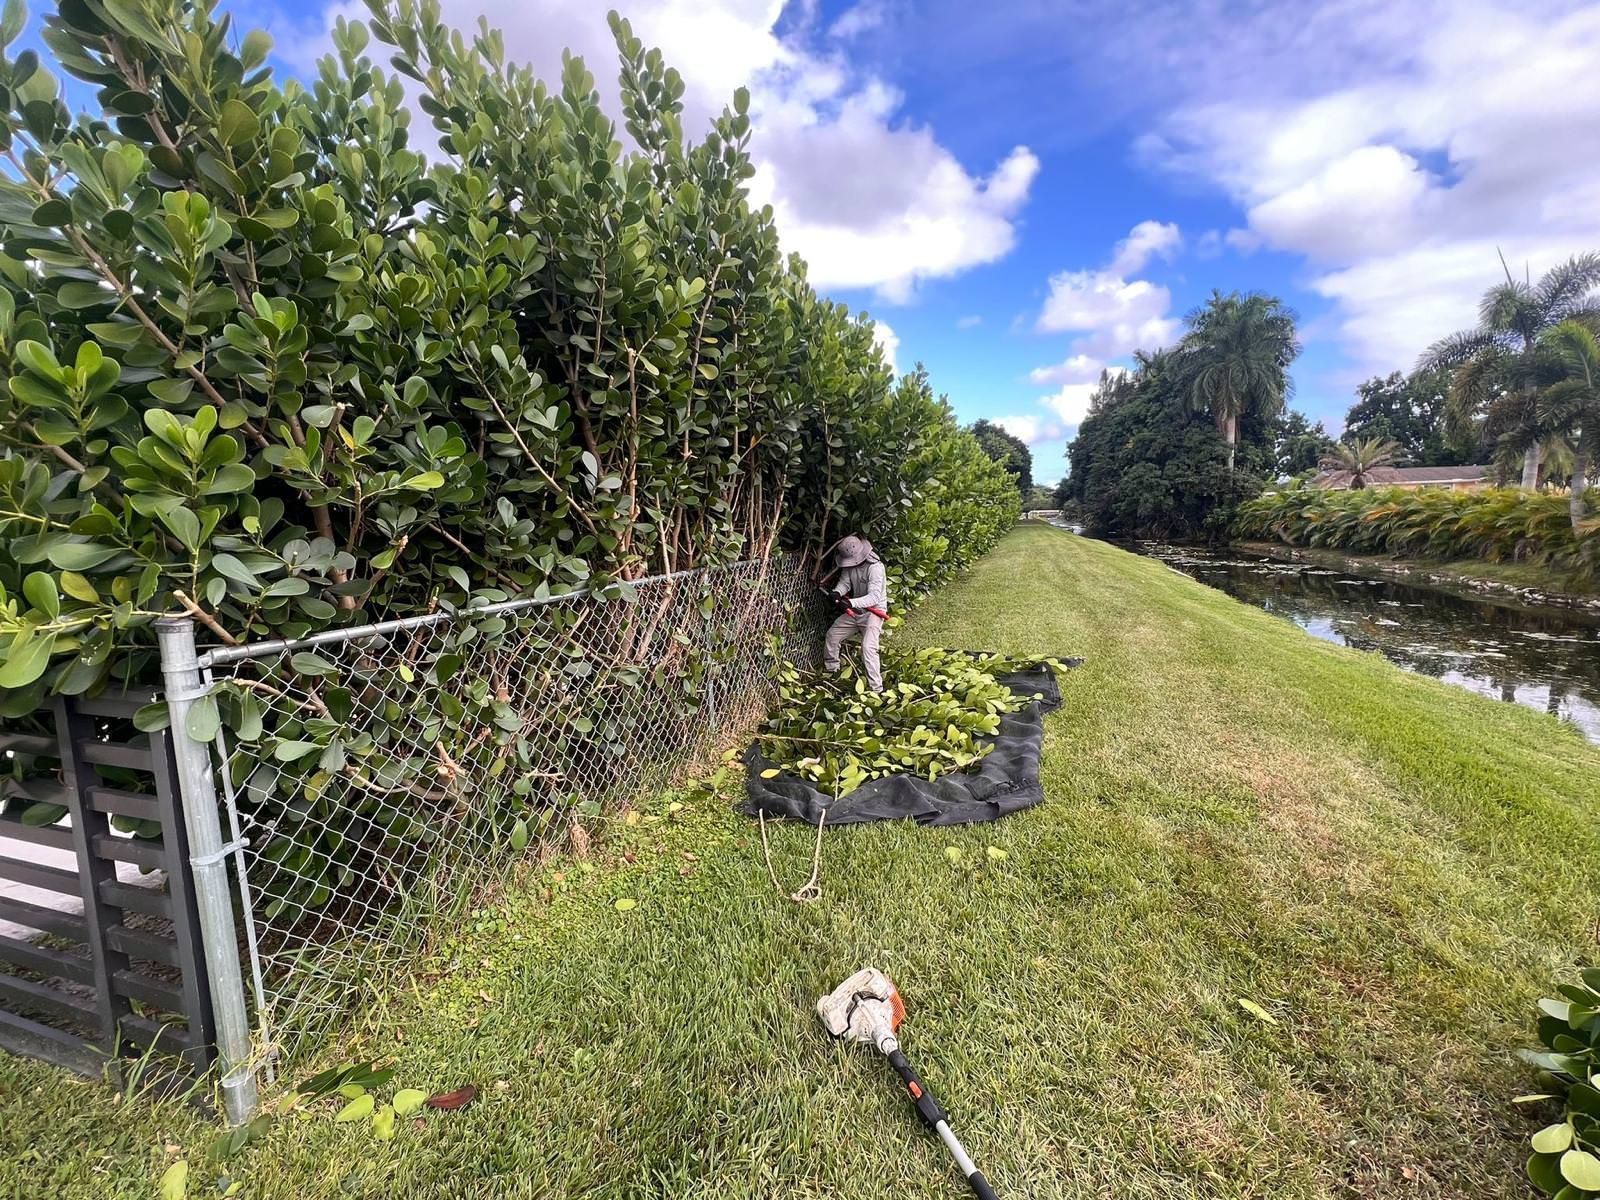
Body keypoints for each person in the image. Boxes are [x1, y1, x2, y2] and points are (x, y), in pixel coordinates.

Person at [821, 535, 889, 691]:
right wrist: (837, 593)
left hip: (874, 613)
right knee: (833, 635)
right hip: (857, 610)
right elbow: (845, 583)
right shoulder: (849, 566)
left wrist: (850, 602)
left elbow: (874, 597)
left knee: (868, 648)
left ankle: (877, 690)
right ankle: (833, 673)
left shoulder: (876, 568)